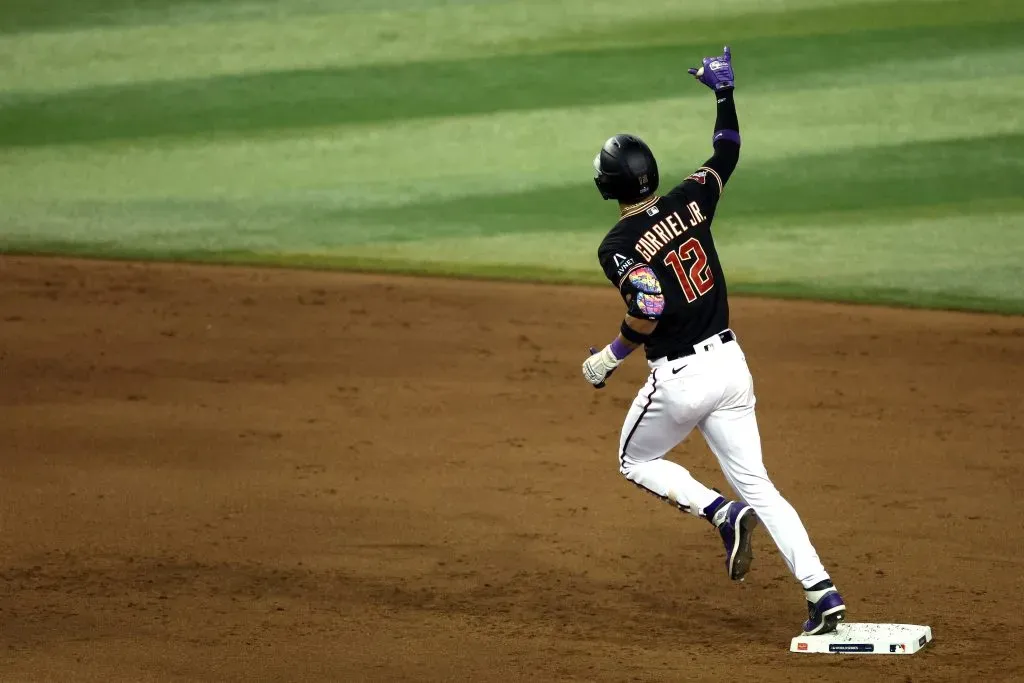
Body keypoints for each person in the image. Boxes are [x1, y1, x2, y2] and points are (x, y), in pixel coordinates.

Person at [581, 46, 847, 635]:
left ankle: (722, 514)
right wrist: (723, 91)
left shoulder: (616, 245)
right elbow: (727, 149)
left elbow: (648, 306)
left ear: (608, 187)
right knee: (760, 481)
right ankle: (822, 595)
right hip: (732, 367)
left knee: (635, 458)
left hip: (680, 380)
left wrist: (610, 357)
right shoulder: (692, 198)